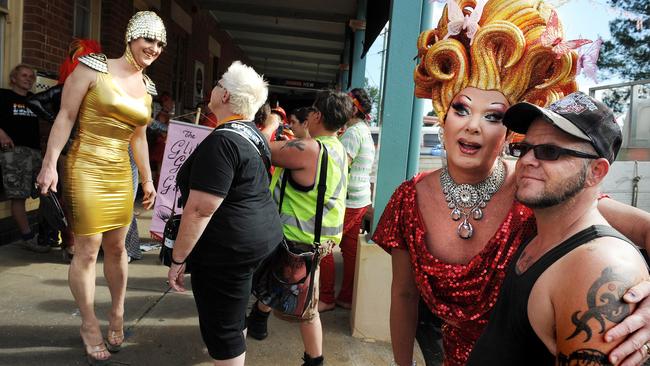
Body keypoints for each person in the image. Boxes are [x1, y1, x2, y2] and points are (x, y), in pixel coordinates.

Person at [372, 1, 650, 366]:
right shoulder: (408, 200)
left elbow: (635, 230)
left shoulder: (534, 184)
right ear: (443, 112)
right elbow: (404, 296)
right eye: (461, 108)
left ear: (508, 132)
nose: (472, 125)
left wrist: (640, 298)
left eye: (492, 116)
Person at [466, 92, 649, 364]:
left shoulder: (596, 264)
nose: (527, 160)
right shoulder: (542, 232)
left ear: (596, 172)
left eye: (550, 151)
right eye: (523, 148)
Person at [36, 11, 163, 365]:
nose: (153, 48)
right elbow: (65, 116)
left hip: (120, 172)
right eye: (148, 39)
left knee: (118, 248)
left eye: (159, 44)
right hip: (85, 165)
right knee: (88, 250)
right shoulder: (93, 68)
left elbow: (138, 136)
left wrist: (148, 177)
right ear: (131, 37)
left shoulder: (148, 87)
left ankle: (118, 313)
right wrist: (50, 164)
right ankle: (89, 324)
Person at [167, 61, 283, 366]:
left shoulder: (222, 141)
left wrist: (178, 259)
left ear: (227, 97)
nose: (214, 87)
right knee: (233, 313)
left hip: (228, 249)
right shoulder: (250, 134)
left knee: (222, 328)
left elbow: (200, 210)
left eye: (219, 83)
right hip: (260, 239)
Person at [247, 90, 353, 366]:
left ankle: (315, 360)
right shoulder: (337, 148)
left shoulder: (308, 150)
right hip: (317, 240)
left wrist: (270, 124)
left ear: (316, 115)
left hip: (296, 241)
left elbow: (260, 148)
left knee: (307, 308)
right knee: (272, 281)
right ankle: (258, 320)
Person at [319, 88, 375, 311]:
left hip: (348, 201)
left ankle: (326, 297)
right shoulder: (363, 130)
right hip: (360, 199)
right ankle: (346, 297)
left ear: (352, 108)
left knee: (324, 245)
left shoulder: (353, 133)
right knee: (349, 249)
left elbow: (339, 166)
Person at [0, 64, 48, 253]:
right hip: (14, 153)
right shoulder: (3, 96)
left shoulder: (34, 100)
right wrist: (1, 134)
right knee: (18, 196)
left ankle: (48, 233)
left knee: (45, 192)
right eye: (24, 75)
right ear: (14, 78)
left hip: (35, 153)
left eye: (31, 77)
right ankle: (27, 237)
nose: (28, 79)